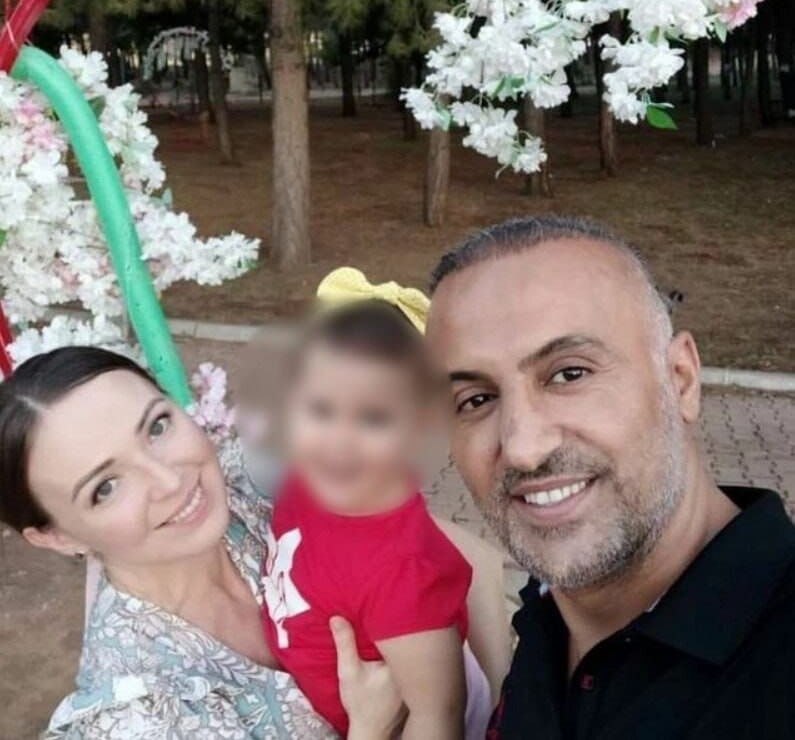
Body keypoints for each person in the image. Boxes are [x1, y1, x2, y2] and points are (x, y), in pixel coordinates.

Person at [425, 215, 795, 739]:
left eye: (569, 373)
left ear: (681, 380)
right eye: (476, 399)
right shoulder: (547, 621)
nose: (524, 449)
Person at [0, 347, 403, 739]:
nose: (170, 480)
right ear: (57, 536)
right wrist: (372, 728)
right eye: (105, 487)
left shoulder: (255, 486)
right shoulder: (142, 717)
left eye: (157, 427)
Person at [260, 291, 496, 739]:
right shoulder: (305, 480)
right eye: (320, 409)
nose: (339, 441)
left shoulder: (403, 575)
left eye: (373, 418)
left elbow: (437, 716)